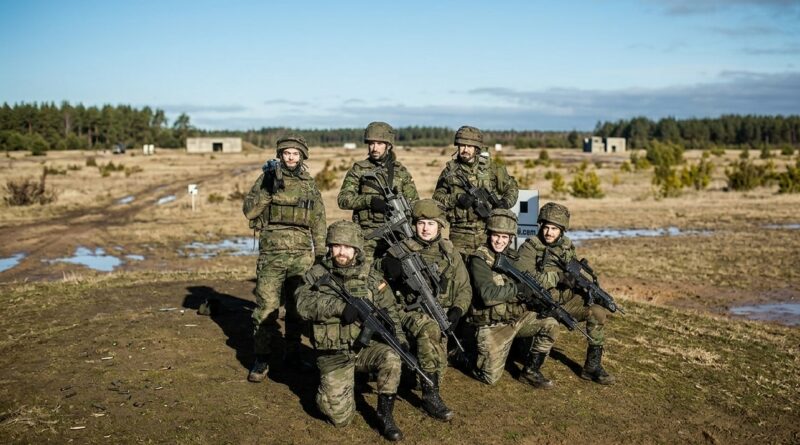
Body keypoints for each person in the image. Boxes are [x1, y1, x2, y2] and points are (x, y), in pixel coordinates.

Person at [295, 221, 406, 441]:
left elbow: (391, 310)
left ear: (356, 249)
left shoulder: (371, 277)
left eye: (347, 247)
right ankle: (334, 388)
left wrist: (400, 338)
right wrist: (339, 307)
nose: (341, 252)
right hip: (333, 353)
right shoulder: (316, 275)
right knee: (340, 419)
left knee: (392, 357)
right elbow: (301, 304)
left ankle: (385, 415)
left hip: (363, 349)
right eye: (336, 246)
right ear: (329, 247)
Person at [242, 135, 326, 383]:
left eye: (295, 153)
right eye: (287, 153)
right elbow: (250, 211)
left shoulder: (309, 184)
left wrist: (320, 254)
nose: (291, 157)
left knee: (297, 308)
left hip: (301, 255)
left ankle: (293, 352)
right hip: (272, 255)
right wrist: (269, 189)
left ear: (302, 156)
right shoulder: (266, 179)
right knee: (266, 307)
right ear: (280, 155)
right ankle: (262, 357)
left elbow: (318, 221)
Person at [378, 199, 471, 421]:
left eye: (431, 223)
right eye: (421, 223)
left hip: (438, 313)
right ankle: (431, 397)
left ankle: (416, 373)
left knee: (437, 367)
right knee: (429, 330)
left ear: (440, 225)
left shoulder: (449, 251)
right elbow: (375, 282)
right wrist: (388, 269)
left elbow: (464, 288)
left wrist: (458, 309)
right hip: (405, 312)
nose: (426, 228)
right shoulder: (399, 249)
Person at [516, 202, 615, 385]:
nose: (549, 232)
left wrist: (584, 285)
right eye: (546, 227)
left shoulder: (567, 247)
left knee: (598, 311)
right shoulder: (530, 247)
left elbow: (575, 273)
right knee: (551, 324)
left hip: (566, 300)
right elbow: (525, 277)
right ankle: (530, 370)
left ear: (562, 230)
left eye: (554, 228)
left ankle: (592, 367)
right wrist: (557, 277)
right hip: (538, 304)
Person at [466, 209, 560, 388]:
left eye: (505, 237)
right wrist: (518, 289)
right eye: (496, 236)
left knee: (551, 324)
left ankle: (530, 371)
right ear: (489, 234)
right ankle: (463, 354)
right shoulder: (479, 259)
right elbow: (488, 296)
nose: (500, 241)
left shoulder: (512, 257)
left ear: (511, 238)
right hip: (491, 326)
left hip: (515, 319)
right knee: (490, 378)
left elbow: (525, 285)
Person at [433, 125, 519, 259]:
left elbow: (512, 188)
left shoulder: (492, 169)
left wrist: (505, 202)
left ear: (477, 148)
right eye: (462, 146)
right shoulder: (449, 172)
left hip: (488, 231)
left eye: (469, 146)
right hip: (459, 232)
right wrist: (457, 198)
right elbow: (437, 198)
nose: (465, 149)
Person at [337, 121, 419, 261]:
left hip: (396, 236)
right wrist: (368, 201)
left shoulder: (401, 172)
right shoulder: (359, 169)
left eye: (379, 144)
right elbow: (343, 200)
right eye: (371, 143)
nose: (374, 148)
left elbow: (415, 204)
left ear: (388, 145)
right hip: (366, 237)